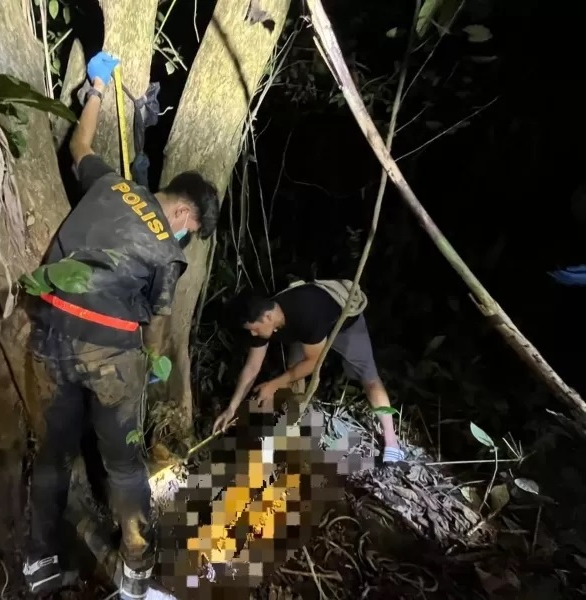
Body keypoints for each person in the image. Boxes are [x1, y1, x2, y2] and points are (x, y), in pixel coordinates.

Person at [24, 51, 219, 596]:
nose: (186, 239)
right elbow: (156, 324)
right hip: (111, 360)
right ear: (184, 216)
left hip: (49, 339)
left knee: (54, 455)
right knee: (125, 465)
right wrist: (153, 366)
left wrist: (95, 92)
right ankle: (136, 569)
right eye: (191, 230)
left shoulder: (110, 184)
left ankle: (38, 564)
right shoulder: (167, 249)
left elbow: (77, 146)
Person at [212, 279, 404, 463]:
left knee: (369, 378)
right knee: (293, 370)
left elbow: (314, 363)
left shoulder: (305, 314)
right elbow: (252, 367)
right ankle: (295, 424)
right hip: (307, 333)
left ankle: (392, 442)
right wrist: (231, 408)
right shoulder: (267, 318)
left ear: (268, 317)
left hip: (344, 321)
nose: (253, 334)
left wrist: (273, 385)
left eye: (254, 329)